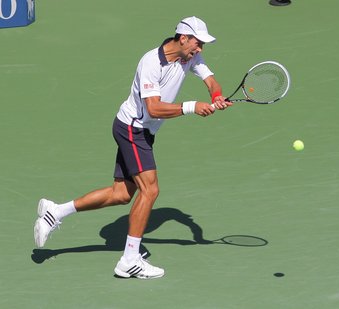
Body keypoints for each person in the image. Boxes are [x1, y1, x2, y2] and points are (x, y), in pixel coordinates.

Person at [33, 16, 232, 279]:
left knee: (122, 194)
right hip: (132, 128)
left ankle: (55, 211)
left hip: (143, 131)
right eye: (198, 43)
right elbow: (154, 108)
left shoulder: (190, 57)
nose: (200, 49)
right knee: (150, 190)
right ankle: (129, 259)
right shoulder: (151, 62)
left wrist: (216, 96)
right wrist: (191, 107)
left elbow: (210, 81)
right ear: (183, 38)